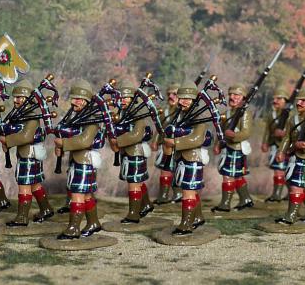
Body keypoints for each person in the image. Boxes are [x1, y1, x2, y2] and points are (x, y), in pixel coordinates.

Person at [0, 80, 55, 227]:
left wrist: (7, 140)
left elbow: (26, 137)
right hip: (27, 154)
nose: (17, 100)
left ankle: (22, 217)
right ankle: (46, 208)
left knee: (24, 184)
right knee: (35, 184)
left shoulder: (32, 116)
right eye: (16, 97)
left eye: (20, 97)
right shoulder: (19, 115)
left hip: (29, 155)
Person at [55, 80, 104, 240]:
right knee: (87, 195)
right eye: (74, 98)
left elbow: (85, 141)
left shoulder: (92, 119)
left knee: (77, 194)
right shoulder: (77, 117)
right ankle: (93, 222)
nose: (75, 101)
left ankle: (73, 228)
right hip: (77, 160)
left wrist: (64, 143)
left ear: (86, 101)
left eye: (79, 99)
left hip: (85, 161)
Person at [163, 83, 209, 235]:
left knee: (188, 191)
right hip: (181, 157)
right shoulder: (179, 114)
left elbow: (197, 138)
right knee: (191, 190)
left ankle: (186, 224)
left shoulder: (199, 115)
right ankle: (198, 217)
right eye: (181, 98)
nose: (183, 101)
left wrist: (175, 142)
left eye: (188, 99)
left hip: (193, 157)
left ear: (195, 100)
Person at [274, 85, 305, 224]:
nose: (299, 103)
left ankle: (291, 216)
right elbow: (287, 138)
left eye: (304, 100)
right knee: (303, 185)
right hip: (294, 157)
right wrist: (281, 151)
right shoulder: (293, 119)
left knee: (296, 186)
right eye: (299, 100)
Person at [110, 84, 155, 223]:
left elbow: (136, 135)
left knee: (133, 182)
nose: (123, 100)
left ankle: (133, 214)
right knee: (138, 181)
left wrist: (118, 140)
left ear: (132, 100)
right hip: (126, 152)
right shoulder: (120, 114)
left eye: (126, 98)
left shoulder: (137, 114)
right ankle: (146, 204)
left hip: (135, 152)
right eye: (121, 98)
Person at [212, 85, 254, 212]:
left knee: (229, 176)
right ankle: (245, 199)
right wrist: (217, 144)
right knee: (236, 176)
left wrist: (235, 135)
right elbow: (220, 131)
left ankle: (225, 204)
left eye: (236, 95)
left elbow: (247, 132)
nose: (232, 97)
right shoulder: (227, 114)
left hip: (237, 148)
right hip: (227, 148)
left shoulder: (245, 114)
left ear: (243, 98)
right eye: (231, 94)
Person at [263, 91, 290, 202]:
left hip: (285, 146)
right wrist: (265, 142)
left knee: (285, 172)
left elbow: (293, 131)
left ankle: (281, 194)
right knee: (277, 170)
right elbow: (267, 130)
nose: (275, 101)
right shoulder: (272, 114)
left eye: (279, 98)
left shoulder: (290, 114)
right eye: (274, 98)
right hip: (274, 145)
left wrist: (283, 134)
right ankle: (276, 194)